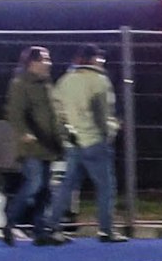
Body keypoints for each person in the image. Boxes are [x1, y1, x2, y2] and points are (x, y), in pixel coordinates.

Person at [50, 43, 125, 243]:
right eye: (99, 58)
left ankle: (52, 226)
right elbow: (102, 113)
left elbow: (57, 111)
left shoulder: (65, 80)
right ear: (92, 59)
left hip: (74, 142)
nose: (101, 61)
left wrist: (66, 133)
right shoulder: (100, 81)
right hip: (94, 141)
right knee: (106, 187)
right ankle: (106, 230)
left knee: (67, 187)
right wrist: (110, 131)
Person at [3, 45, 67, 246]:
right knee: (34, 184)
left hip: (48, 144)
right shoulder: (20, 84)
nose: (49, 63)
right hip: (32, 145)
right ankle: (9, 221)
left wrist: (60, 137)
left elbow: (52, 114)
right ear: (32, 62)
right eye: (44, 59)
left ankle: (40, 231)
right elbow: (15, 112)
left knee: (44, 190)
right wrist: (24, 133)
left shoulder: (46, 84)